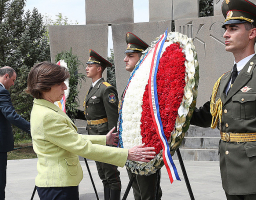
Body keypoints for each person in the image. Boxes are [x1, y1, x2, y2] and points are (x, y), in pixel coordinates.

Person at [191, 0, 256, 200]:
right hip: (231, 178)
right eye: (225, 29)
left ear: (252, 33)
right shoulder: (224, 80)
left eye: (233, 28)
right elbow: (207, 116)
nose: (226, 34)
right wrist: (172, 108)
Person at [26, 61, 156, 200]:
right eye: (60, 83)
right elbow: (81, 147)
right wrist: (127, 154)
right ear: (45, 86)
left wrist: (104, 139)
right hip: (58, 186)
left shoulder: (44, 108)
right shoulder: (48, 115)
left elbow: (70, 138)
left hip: (57, 183)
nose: (64, 87)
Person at [123, 32, 163, 200]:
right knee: (138, 194)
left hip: (146, 149)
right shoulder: (132, 83)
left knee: (148, 195)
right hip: (131, 149)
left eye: (130, 56)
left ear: (142, 58)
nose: (125, 59)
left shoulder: (151, 84)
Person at [82, 49, 122, 200]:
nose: (86, 68)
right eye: (87, 65)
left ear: (99, 69)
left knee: (111, 175)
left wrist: (113, 142)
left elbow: (113, 117)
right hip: (95, 138)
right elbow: (92, 114)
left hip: (105, 138)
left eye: (90, 65)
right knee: (103, 175)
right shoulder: (93, 88)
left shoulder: (106, 89)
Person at [0, 66, 31, 200]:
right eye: (13, 80)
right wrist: (32, 128)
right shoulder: (2, 92)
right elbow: (11, 115)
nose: (13, 84)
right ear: (6, 76)